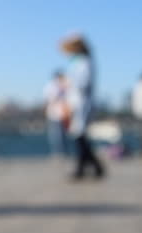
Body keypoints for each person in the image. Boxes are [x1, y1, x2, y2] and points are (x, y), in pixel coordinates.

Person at [60, 34, 105, 180]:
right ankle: (94, 167)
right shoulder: (78, 62)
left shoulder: (85, 62)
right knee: (79, 136)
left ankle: (84, 168)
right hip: (77, 101)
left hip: (81, 102)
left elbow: (82, 83)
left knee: (80, 135)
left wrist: (68, 84)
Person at [44, 70, 70, 156]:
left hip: (62, 114)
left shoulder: (62, 86)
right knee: (56, 134)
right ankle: (58, 152)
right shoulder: (53, 86)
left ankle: (61, 152)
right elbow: (51, 99)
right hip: (55, 114)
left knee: (61, 134)